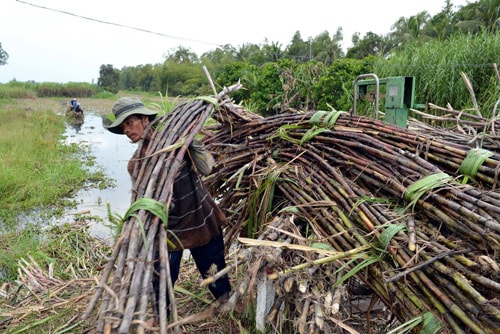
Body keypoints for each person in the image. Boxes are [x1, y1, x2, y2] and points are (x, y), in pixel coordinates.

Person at [103, 96, 231, 322]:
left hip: (199, 218)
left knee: (214, 273)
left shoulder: (179, 144)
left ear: (144, 119)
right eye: (122, 127)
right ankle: (162, 317)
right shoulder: (136, 165)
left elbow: (208, 168)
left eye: (130, 122)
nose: (126, 131)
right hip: (166, 230)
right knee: (160, 279)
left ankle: (227, 305)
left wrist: (191, 143)